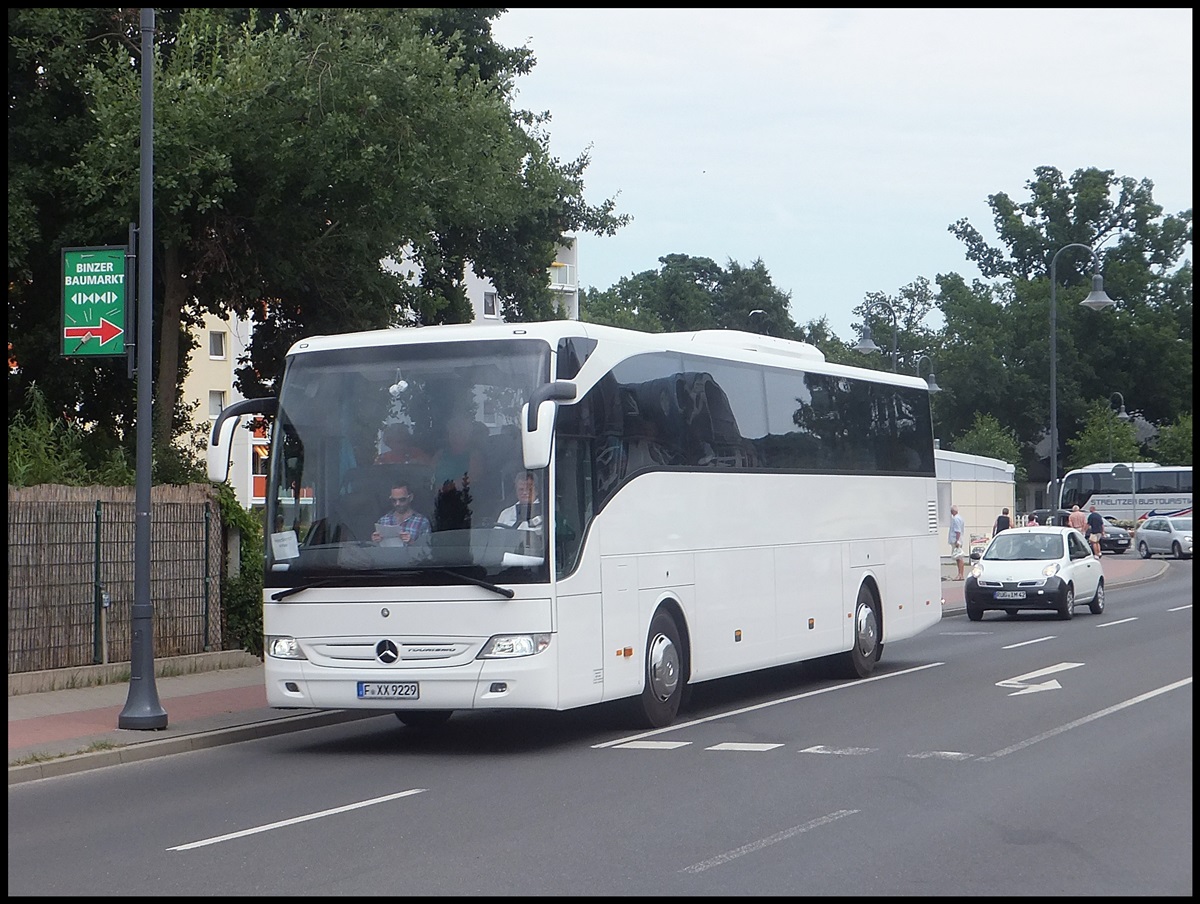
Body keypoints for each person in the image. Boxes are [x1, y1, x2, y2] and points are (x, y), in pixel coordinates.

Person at [496, 471, 545, 555]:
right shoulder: (506, 514)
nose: (525, 493)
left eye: (529, 489)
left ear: (536, 491)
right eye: (521, 489)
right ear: (516, 491)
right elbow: (496, 540)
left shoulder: (546, 513)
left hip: (536, 561)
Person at [948, 505, 966, 580]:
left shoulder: (956, 519)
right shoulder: (960, 518)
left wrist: (957, 540)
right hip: (958, 540)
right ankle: (960, 574)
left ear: (953, 511)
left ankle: (960, 574)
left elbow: (957, 531)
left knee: (958, 557)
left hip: (956, 541)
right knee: (958, 557)